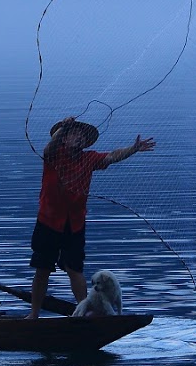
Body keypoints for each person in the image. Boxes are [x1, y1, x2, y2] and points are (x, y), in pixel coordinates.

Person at [28, 117, 155, 318]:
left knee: (74, 268)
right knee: (43, 268)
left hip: (75, 223)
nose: (79, 138)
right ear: (64, 139)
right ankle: (33, 315)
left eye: (82, 136)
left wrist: (133, 148)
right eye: (74, 134)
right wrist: (64, 127)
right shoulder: (53, 155)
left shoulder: (89, 159)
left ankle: (84, 312)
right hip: (49, 220)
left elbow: (112, 156)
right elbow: (49, 147)